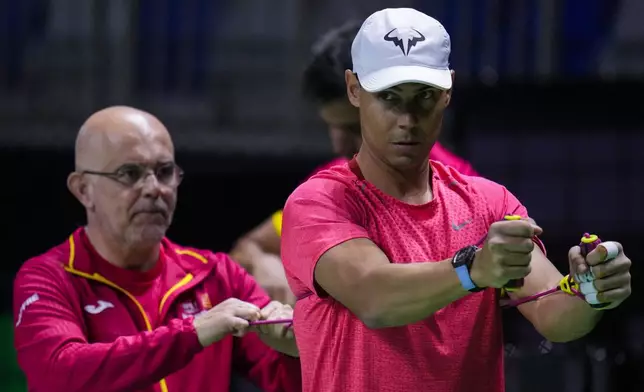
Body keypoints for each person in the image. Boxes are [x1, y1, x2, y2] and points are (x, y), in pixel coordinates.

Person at [280, 8, 633, 392]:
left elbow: (555, 317)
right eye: (389, 97)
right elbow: (374, 298)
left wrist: (592, 293)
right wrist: (473, 271)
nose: (407, 119)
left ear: (448, 90)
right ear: (353, 89)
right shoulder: (319, 201)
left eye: (424, 97)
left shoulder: (490, 202)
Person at [13, 106, 301, 392]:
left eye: (164, 172)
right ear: (83, 190)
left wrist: (294, 351)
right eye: (129, 173)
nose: (154, 189)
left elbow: (288, 381)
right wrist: (192, 332)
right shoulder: (47, 278)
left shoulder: (218, 275)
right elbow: (58, 375)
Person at [230, 19, 478, 305]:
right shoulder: (331, 182)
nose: (339, 145)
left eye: (352, 129)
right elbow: (249, 247)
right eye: (331, 126)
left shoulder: (461, 192)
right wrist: (264, 265)